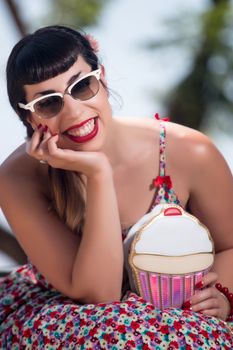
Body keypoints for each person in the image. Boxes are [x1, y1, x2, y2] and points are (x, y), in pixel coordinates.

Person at [0, 24, 233, 349]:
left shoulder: (189, 151)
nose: (74, 112)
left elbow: (230, 246)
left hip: (180, 311)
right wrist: (97, 174)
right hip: (77, 321)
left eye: (81, 87)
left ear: (103, 78)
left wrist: (223, 295)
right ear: (29, 119)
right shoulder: (17, 178)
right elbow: (101, 295)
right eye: (48, 104)